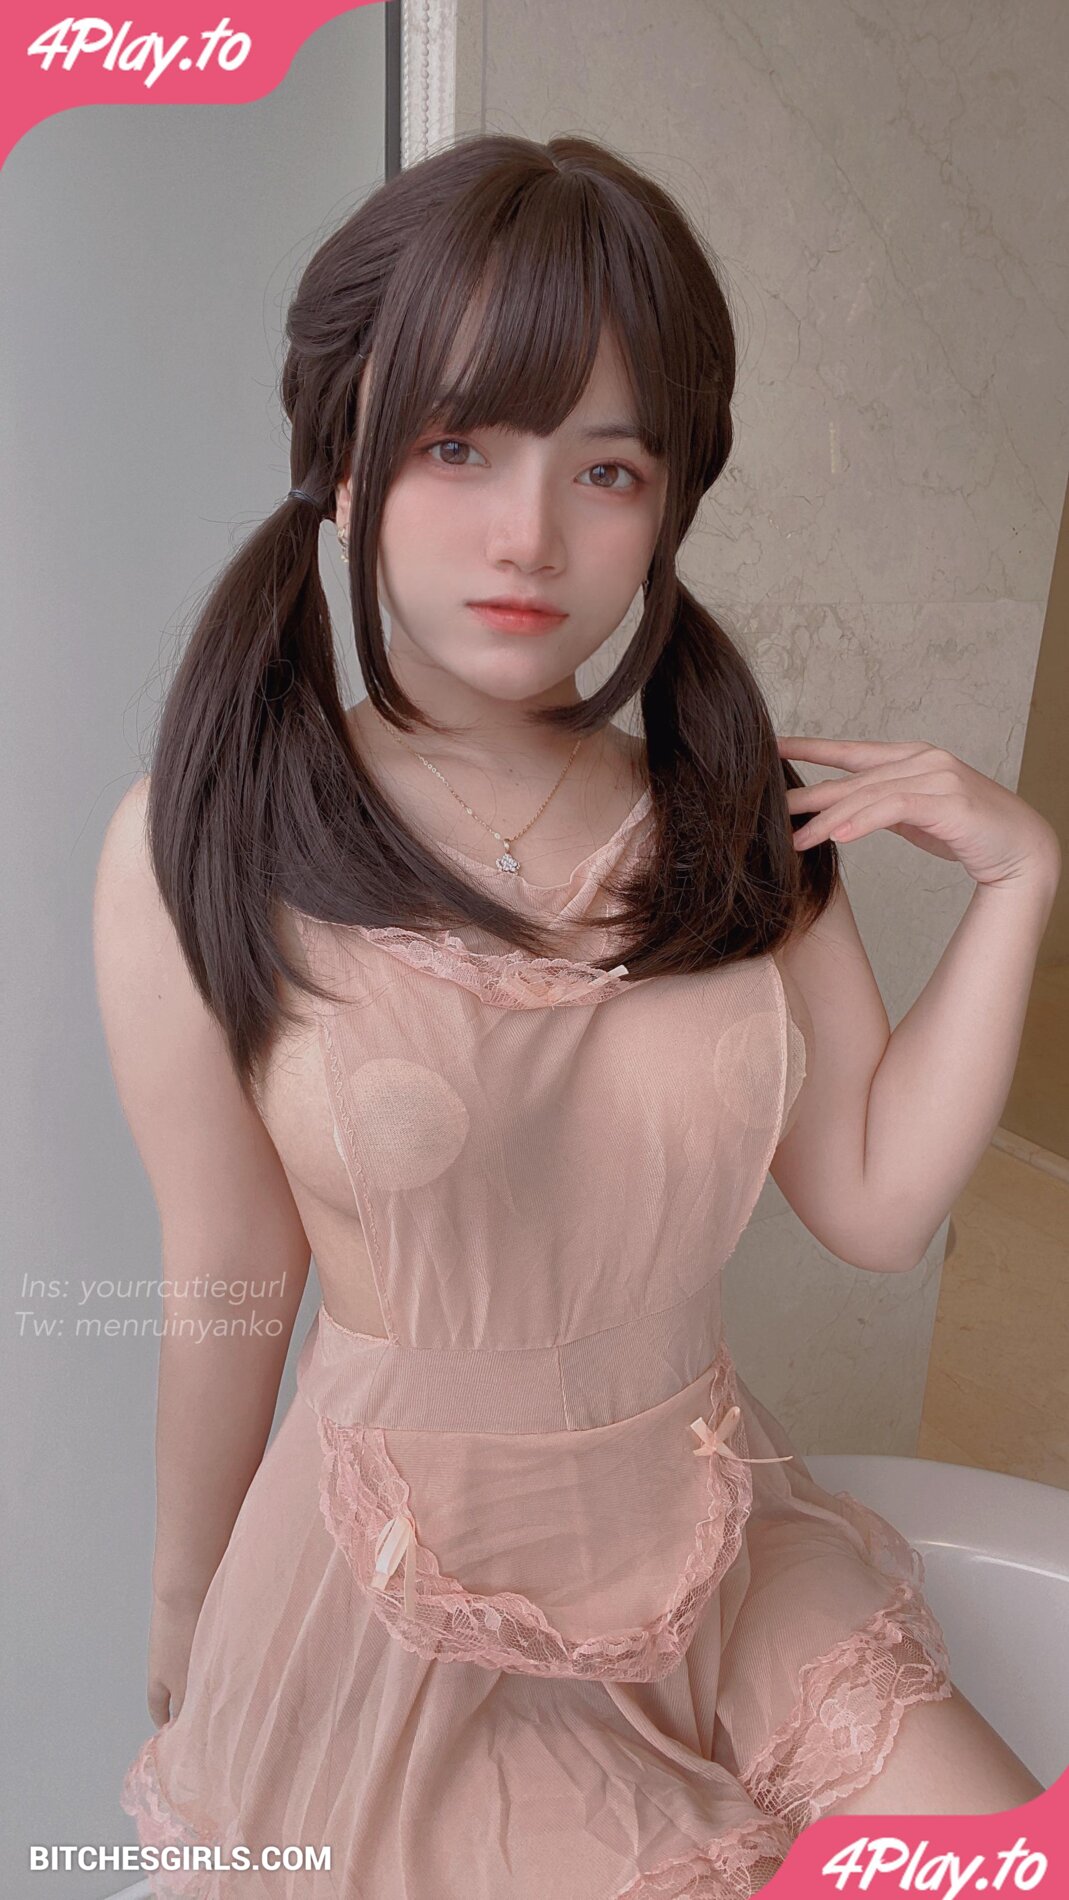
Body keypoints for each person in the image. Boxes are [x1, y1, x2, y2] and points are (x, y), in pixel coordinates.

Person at [96, 132, 1057, 1899]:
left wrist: (1016, 883)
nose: (529, 535)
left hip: (716, 1547)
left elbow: (870, 1203)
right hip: (399, 1593)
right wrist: (186, 1602)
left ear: (666, 507)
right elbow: (229, 1273)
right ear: (345, 466)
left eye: (604, 468)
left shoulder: (727, 815)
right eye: (459, 446)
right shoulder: (214, 838)